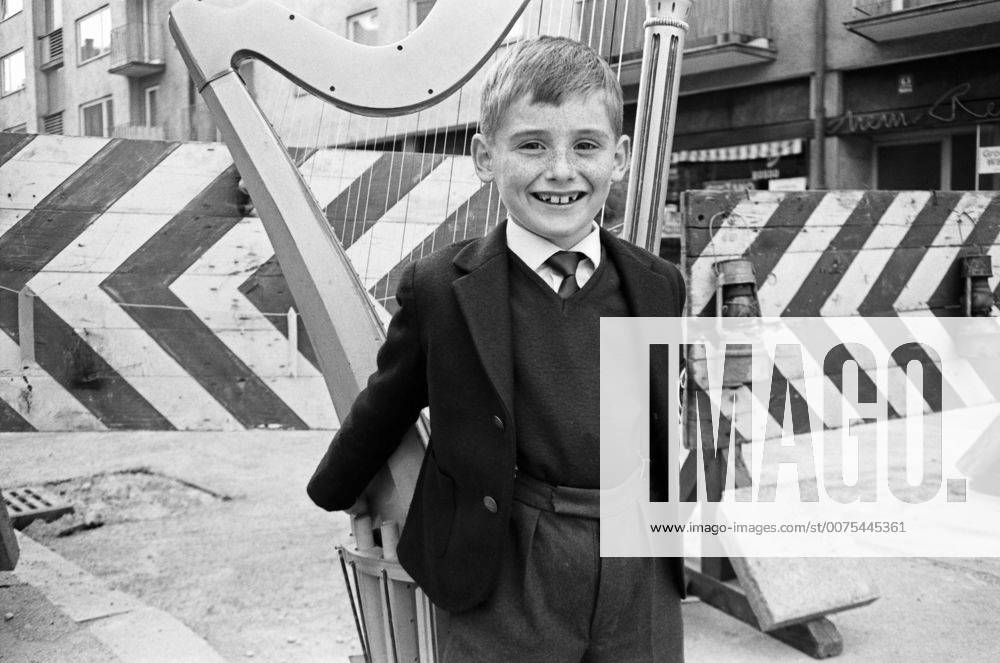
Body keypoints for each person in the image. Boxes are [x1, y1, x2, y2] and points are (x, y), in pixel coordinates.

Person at [307, 35, 686, 662]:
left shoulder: (658, 283)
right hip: (505, 567)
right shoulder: (440, 289)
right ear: (485, 157)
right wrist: (335, 486)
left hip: (636, 563)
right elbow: (389, 399)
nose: (561, 170)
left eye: (585, 145)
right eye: (532, 144)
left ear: (619, 159)